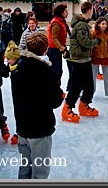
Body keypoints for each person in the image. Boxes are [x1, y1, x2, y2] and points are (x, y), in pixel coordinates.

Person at [11, 33, 64, 179]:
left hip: (22, 126)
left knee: (25, 168)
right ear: (46, 50)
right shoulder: (47, 73)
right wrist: (59, 94)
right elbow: (55, 101)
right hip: (40, 127)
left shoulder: (18, 70)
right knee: (40, 172)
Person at [62, 1, 100, 123]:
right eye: (92, 9)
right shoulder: (81, 26)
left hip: (85, 59)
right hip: (78, 60)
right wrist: (96, 42)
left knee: (89, 85)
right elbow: (85, 43)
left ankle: (84, 105)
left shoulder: (84, 24)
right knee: (76, 85)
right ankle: (67, 109)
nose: (93, 11)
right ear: (89, 10)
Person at [46, 4, 70, 88]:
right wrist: (62, 48)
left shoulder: (61, 21)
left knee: (58, 71)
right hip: (54, 50)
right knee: (56, 71)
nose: (67, 13)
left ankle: (55, 89)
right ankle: (54, 89)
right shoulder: (56, 22)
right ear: (61, 12)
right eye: (66, 11)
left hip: (57, 49)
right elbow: (54, 38)